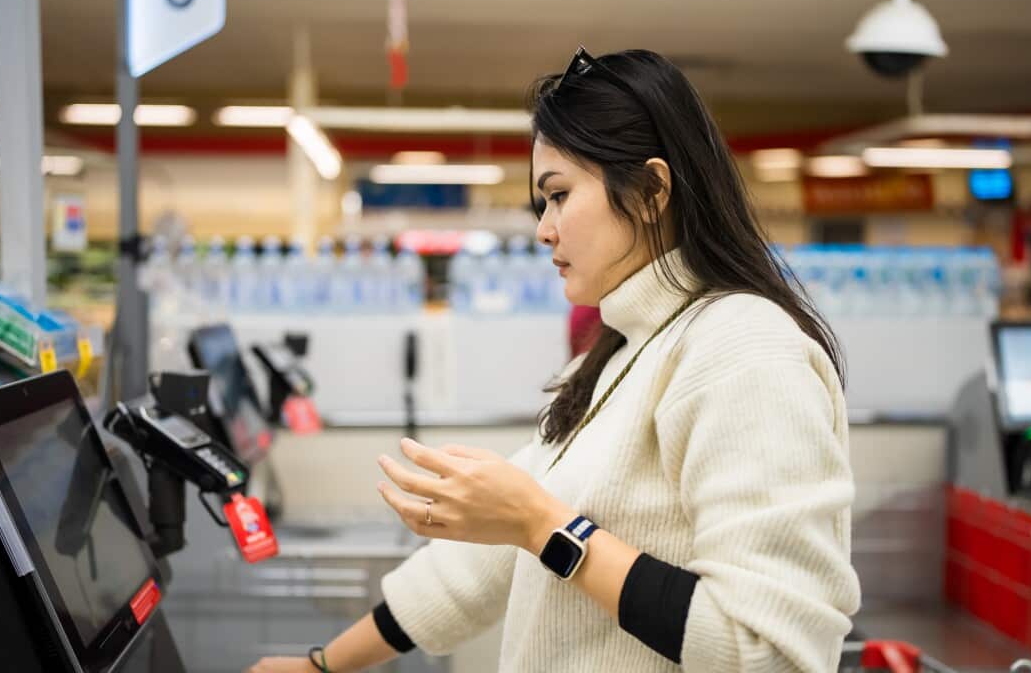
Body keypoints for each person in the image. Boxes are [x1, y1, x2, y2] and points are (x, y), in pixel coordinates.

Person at [248, 47, 860, 673]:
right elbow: (468, 574)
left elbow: (769, 649)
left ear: (651, 191)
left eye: (560, 195)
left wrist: (543, 527)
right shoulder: (620, 352)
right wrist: (322, 665)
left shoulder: (744, 349)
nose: (544, 229)